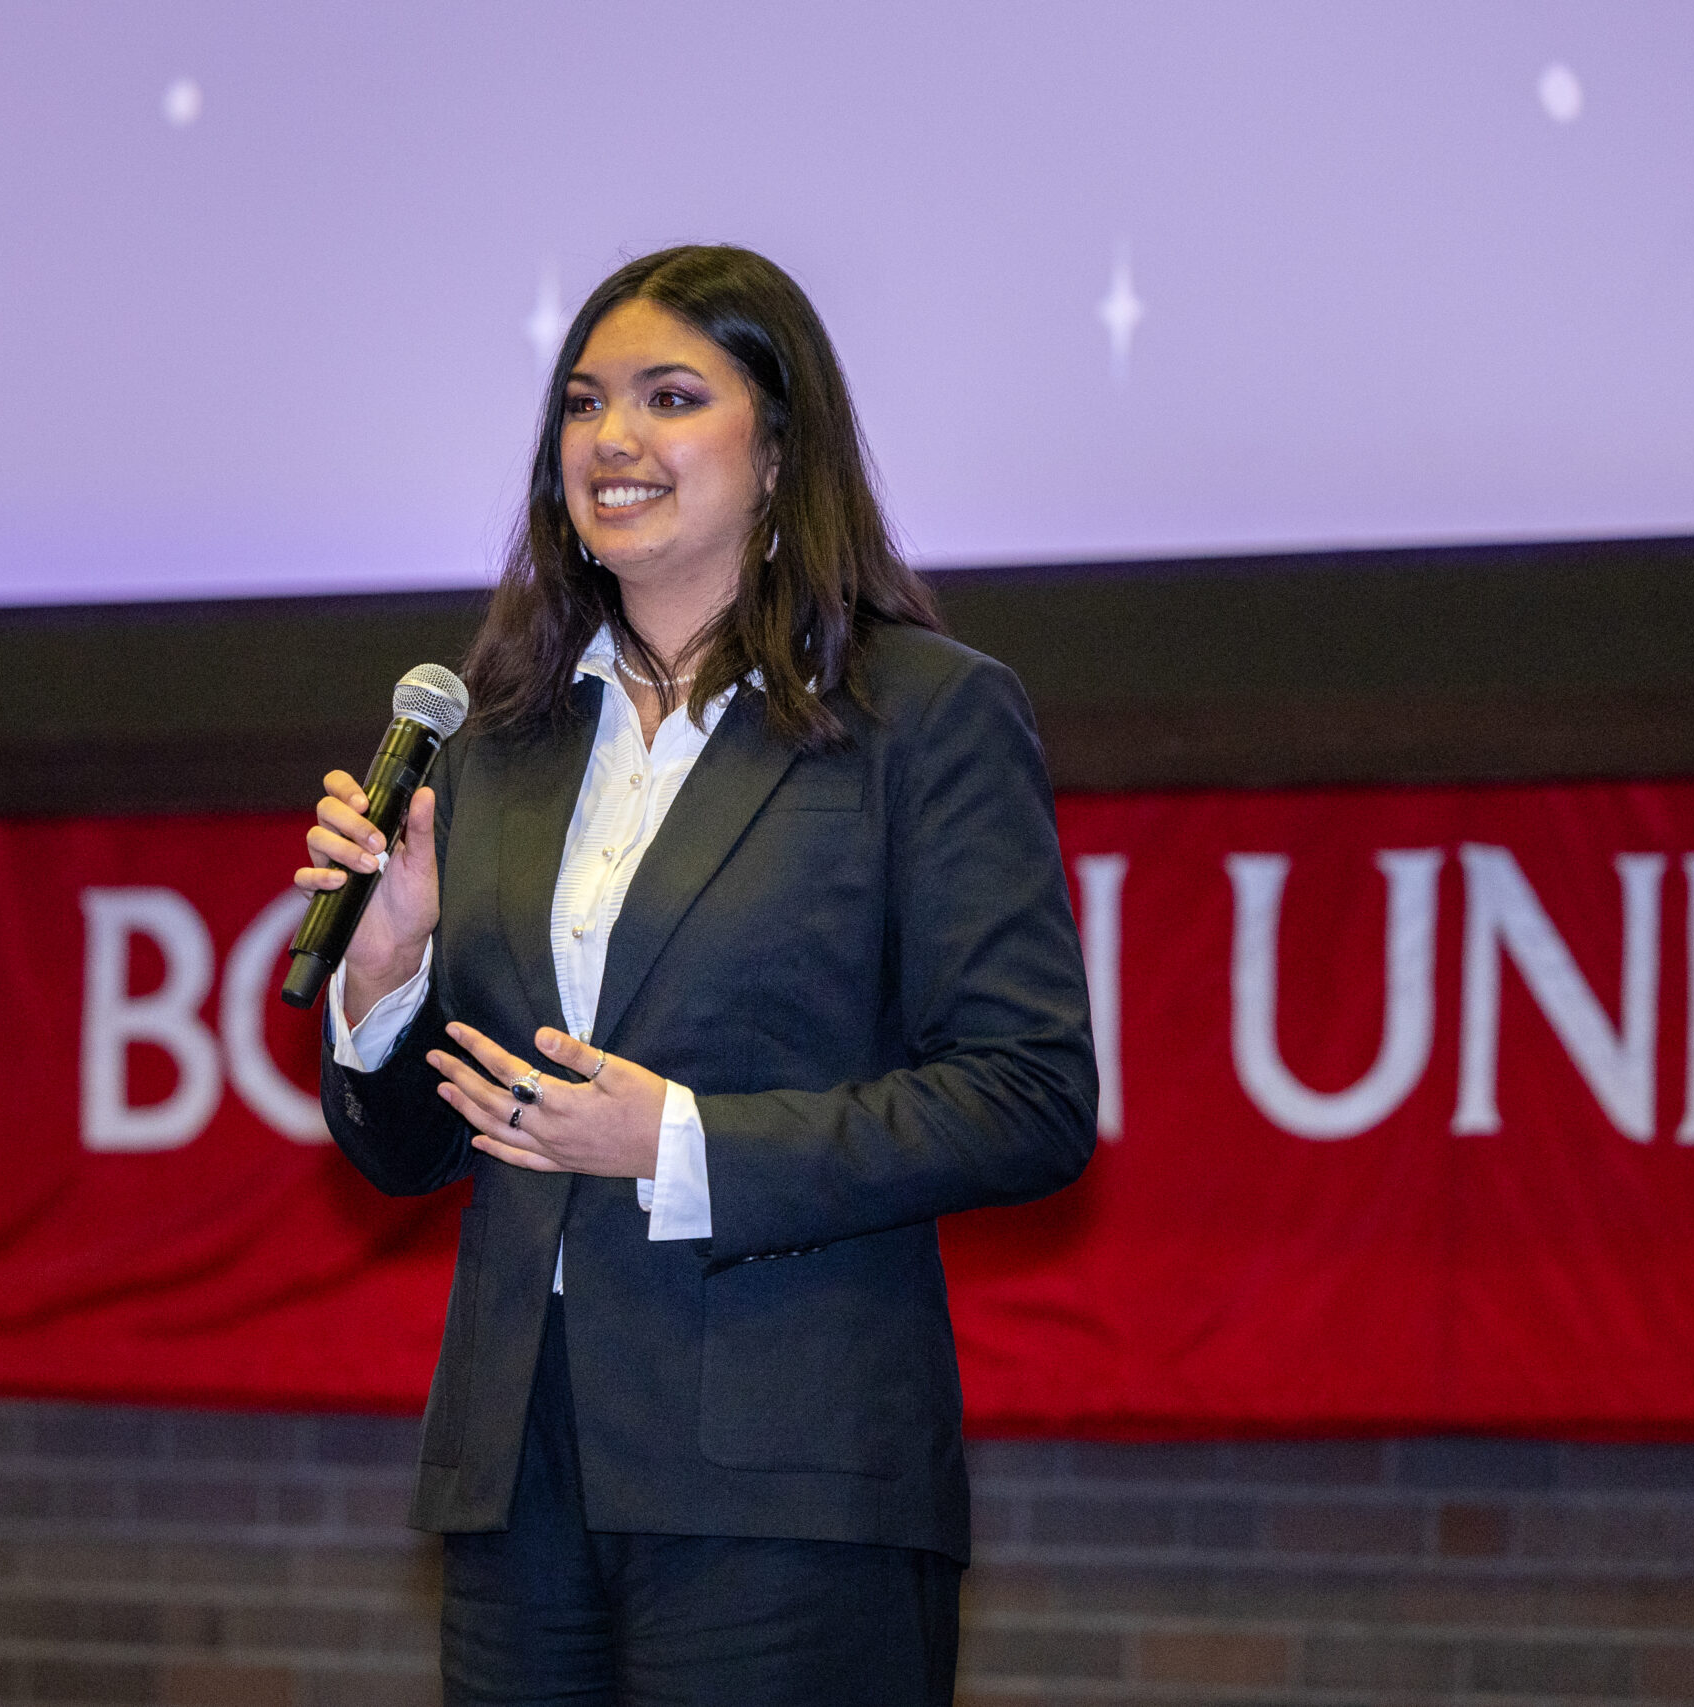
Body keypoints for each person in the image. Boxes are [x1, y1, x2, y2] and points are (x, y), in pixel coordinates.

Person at [294, 245, 1096, 1705]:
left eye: (672, 397)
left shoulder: (924, 717)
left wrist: (674, 1142)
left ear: (781, 453)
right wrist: (390, 969)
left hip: (790, 1489)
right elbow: (410, 1153)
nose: (616, 439)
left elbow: (1029, 1097)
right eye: (586, 404)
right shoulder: (493, 745)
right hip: (516, 1480)